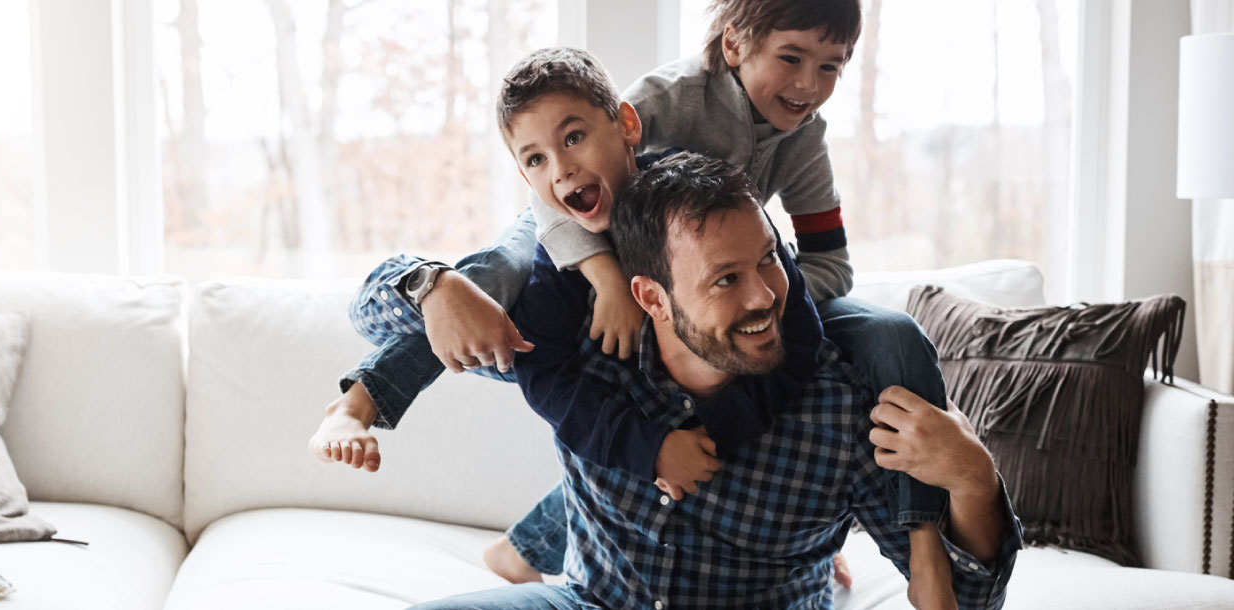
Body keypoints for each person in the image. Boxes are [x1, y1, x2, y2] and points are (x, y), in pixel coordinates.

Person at [409, 151, 1021, 610]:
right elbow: (376, 322)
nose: (764, 297)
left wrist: (974, 480)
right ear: (651, 297)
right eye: (725, 280)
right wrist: (430, 287)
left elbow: (964, 600)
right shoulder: (587, 356)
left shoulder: (840, 408)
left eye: (769, 262)